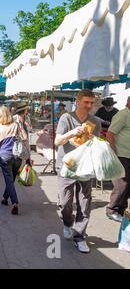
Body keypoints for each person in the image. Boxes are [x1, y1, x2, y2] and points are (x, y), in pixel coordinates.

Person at [54, 89, 102, 254]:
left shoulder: (95, 121)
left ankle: (80, 236)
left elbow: (95, 145)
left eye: (91, 103)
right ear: (78, 101)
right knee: (65, 202)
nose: (89, 106)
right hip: (66, 166)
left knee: (84, 202)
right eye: (86, 102)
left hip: (85, 168)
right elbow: (57, 141)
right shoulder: (66, 118)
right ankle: (67, 222)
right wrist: (73, 132)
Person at [0, 106, 26, 215]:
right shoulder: (16, 125)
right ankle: (5, 198)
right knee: (11, 179)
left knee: (8, 180)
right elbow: (24, 137)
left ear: (1, 116)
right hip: (17, 156)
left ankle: (15, 202)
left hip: (5, 156)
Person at [106, 96, 130, 222]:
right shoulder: (123, 114)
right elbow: (110, 133)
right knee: (122, 184)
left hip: (128, 154)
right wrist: (114, 152)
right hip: (122, 154)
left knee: (127, 185)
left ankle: (121, 210)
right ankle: (112, 210)